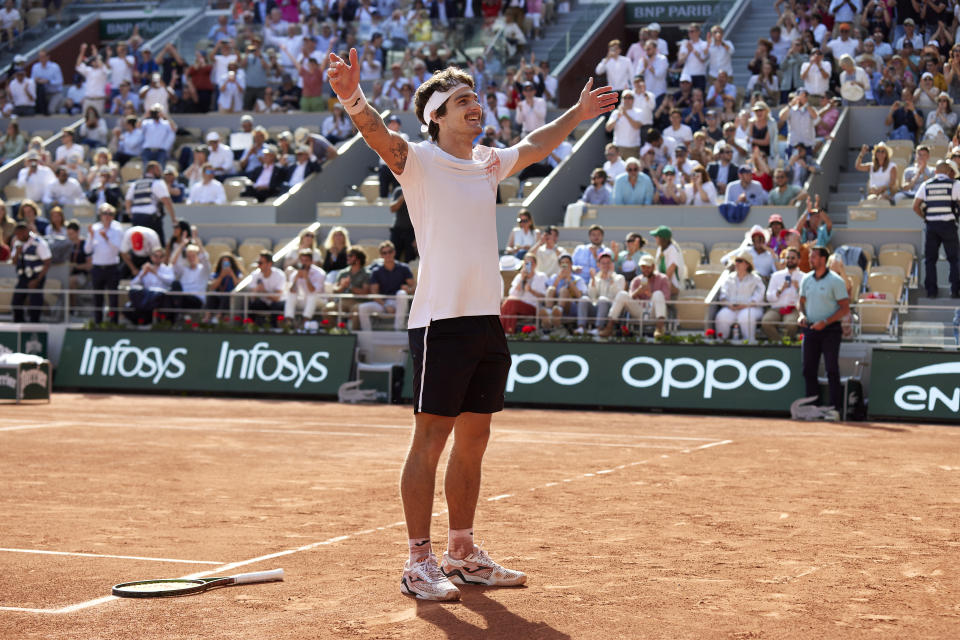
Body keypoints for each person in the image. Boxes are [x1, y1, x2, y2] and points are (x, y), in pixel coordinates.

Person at [326, 47, 615, 600]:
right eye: (462, 101)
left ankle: (462, 554)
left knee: (475, 438)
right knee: (430, 438)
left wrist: (577, 114)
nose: (475, 106)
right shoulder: (415, 159)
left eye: (477, 98)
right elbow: (375, 133)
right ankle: (418, 564)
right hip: (441, 320)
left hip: (486, 319)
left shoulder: (487, 162)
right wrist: (350, 95)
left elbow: (533, 146)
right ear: (436, 115)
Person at [798, 246, 850, 419]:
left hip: (831, 330)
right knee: (808, 369)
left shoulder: (836, 281)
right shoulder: (806, 279)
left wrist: (825, 322)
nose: (810, 259)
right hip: (811, 329)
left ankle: (834, 410)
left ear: (822, 260)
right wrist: (802, 315)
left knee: (831, 369)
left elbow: (844, 308)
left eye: (813, 257)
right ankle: (813, 408)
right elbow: (802, 302)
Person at [912, 158, 960, 298]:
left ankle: (931, 291)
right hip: (948, 225)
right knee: (954, 258)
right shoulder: (955, 184)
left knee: (930, 259)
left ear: (935, 171)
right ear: (949, 171)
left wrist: (925, 218)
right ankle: (955, 290)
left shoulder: (926, 184)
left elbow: (915, 206)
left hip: (932, 226)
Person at [597, 254, 670, 338]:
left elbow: (667, 299)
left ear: (653, 267)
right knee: (622, 294)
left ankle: (660, 328)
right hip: (639, 311)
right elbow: (629, 299)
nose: (645, 269)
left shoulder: (663, 278)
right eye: (643, 267)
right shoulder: (636, 280)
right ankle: (609, 327)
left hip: (654, 312)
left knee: (658, 294)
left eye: (648, 267)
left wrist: (651, 294)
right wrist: (638, 291)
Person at [358, 240, 414, 331]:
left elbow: (414, 287)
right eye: (384, 253)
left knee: (401, 293)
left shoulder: (404, 268)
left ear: (394, 252)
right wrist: (385, 306)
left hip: (399, 302)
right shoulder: (376, 271)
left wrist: (409, 290)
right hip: (383, 303)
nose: (387, 255)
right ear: (381, 255)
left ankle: (398, 329)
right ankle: (366, 337)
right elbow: (374, 293)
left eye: (390, 252)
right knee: (362, 308)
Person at [84, 203, 124, 323]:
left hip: (112, 268)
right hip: (97, 268)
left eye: (110, 214)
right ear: (100, 215)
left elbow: (118, 248)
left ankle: (113, 323)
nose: (107, 216)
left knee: (113, 299)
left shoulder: (117, 228)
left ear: (113, 216)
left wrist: (107, 238)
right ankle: (98, 323)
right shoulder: (95, 228)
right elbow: (87, 250)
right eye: (104, 214)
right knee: (97, 298)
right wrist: (91, 236)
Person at [715, 249, 765, 341]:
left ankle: (749, 342)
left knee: (746, 317)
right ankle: (722, 342)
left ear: (747, 264)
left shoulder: (756, 279)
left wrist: (745, 305)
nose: (736, 263)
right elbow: (723, 295)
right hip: (731, 308)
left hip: (751, 308)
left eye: (739, 261)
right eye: (736, 261)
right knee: (721, 317)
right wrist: (729, 304)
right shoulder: (728, 278)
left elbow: (758, 296)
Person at [125, 161, 177, 245]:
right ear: (153, 170)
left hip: (136, 218)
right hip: (151, 219)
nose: (161, 172)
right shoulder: (157, 183)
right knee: (157, 245)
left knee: (139, 245)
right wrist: (173, 218)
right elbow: (167, 201)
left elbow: (128, 200)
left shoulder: (135, 184)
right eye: (159, 169)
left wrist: (130, 214)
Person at [10, 221, 52, 323]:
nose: (17, 236)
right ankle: (19, 323)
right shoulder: (17, 243)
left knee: (35, 303)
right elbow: (14, 262)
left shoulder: (39, 243)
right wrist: (18, 252)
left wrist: (37, 280)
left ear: (26, 232)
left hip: (37, 277)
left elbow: (47, 263)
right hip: (23, 277)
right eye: (16, 234)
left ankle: (34, 324)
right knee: (16, 301)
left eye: (20, 234)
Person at [500, 252, 547, 334]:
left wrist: (531, 290)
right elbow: (512, 294)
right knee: (509, 304)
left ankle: (504, 331)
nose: (528, 266)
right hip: (517, 305)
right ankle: (506, 331)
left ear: (535, 264)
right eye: (526, 263)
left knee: (511, 303)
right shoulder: (519, 276)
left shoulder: (541, 276)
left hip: (533, 307)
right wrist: (522, 279)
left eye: (530, 263)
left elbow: (543, 297)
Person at [761, 246, 802, 341]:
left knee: (790, 324)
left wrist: (798, 288)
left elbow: (806, 298)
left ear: (799, 260)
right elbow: (769, 297)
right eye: (788, 258)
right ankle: (779, 343)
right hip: (777, 308)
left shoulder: (804, 277)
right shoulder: (776, 276)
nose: (790, 260)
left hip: (793, 308)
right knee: (766, 322)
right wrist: (780, 290)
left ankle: (786, 342)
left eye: (793, 258)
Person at [325, 246, 371, 327]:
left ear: (358, 258)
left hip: (358, 302)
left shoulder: (367, 274)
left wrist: (350, 287)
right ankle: (334, 332)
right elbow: (335, 290)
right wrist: (342, 286)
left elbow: (365, 292)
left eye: (350, 256)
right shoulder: (343, 273)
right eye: (348, 255)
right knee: (326, 309)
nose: (348, 257)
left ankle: (353, 335)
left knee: (356, 310)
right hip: (342, 301)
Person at [283, 248, 326, 323]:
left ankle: (305, 322)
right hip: (304, 300)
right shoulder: (295, 274)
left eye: (306, 261)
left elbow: (313, 291)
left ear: (311, 261)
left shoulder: (320, 273)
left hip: (319, 300)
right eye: (302, 260)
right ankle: (288, 321)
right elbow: (292, 290)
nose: (304, 263)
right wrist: (295, 280)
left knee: (312, 295)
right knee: (291, 294)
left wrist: (306, 278)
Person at [244, 250, 285, 325]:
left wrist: (263, 291)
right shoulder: (255, 274)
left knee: (276, 306)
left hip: (276, 304)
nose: (258, 266)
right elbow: (252, 297)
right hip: (263, 303)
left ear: (269, 264)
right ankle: (249, 327)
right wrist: (257, 290)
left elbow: (277, 298)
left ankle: (274, 329)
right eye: (258, 263)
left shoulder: (280, 275)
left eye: (260, 263)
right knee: (253, 305)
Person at [651, 225, 684, 296]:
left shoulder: (673, 250)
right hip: (662, 281)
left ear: (662, 239)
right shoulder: (660, 248)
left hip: (674, 284)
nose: (655, 238)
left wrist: (656, 285)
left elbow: (669, 274)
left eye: (656, 236)